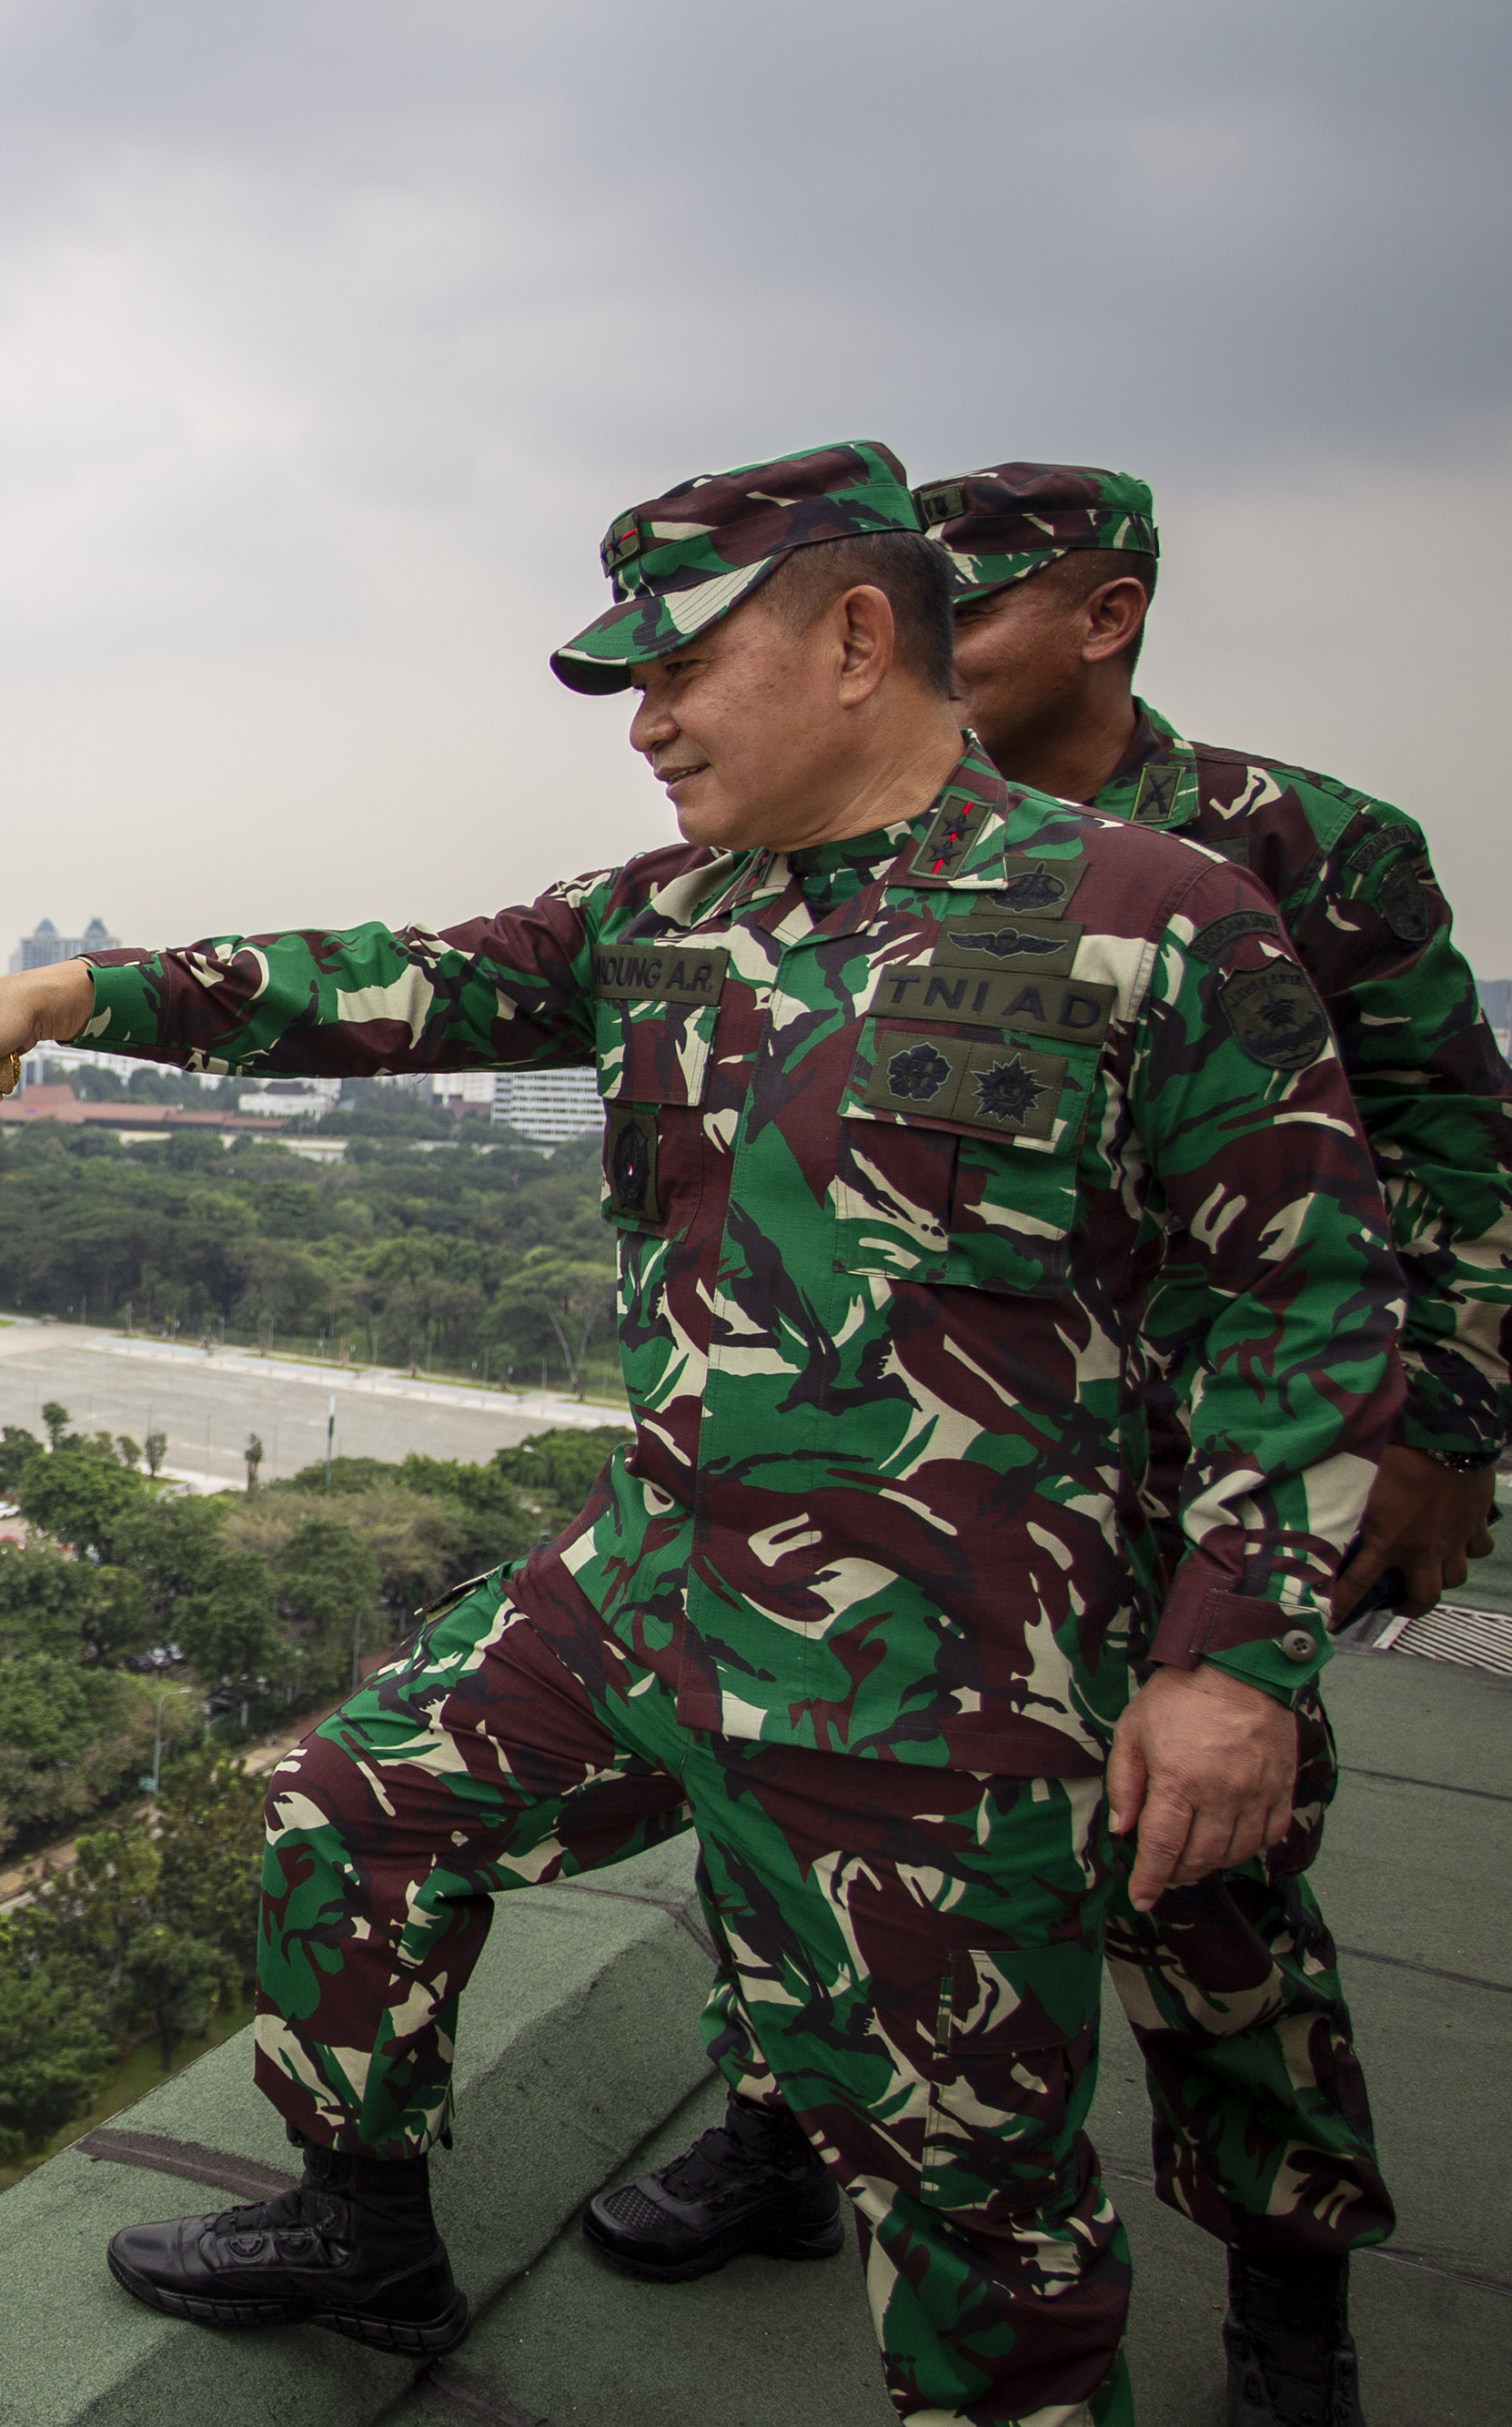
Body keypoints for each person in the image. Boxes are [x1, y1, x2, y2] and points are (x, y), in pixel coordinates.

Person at [0, 441, 1406, 2427]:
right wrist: (58, 990)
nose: (642, 725)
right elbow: (386, 982)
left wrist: (1227, 1663)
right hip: (654, 1584)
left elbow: (1305, 1303)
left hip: (940, 1671)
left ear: (851, 637)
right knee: (351, 1806)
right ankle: (361, 2220)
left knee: (966, 2202)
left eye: (672, 669)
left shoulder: (1150, 919)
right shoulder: (666, 916)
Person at [571, 463, 1508, 2427]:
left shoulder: (1278, 854)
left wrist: (1438, 1434)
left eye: (975, 608)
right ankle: (779, 2139)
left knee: (1207, 1904)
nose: (939, 639)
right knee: (839, 1874)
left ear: (1100, 616)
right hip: (943, 1516)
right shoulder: (830, 864)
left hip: (1205, 1492)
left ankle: (1286, 2287)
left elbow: (1425, 1182)